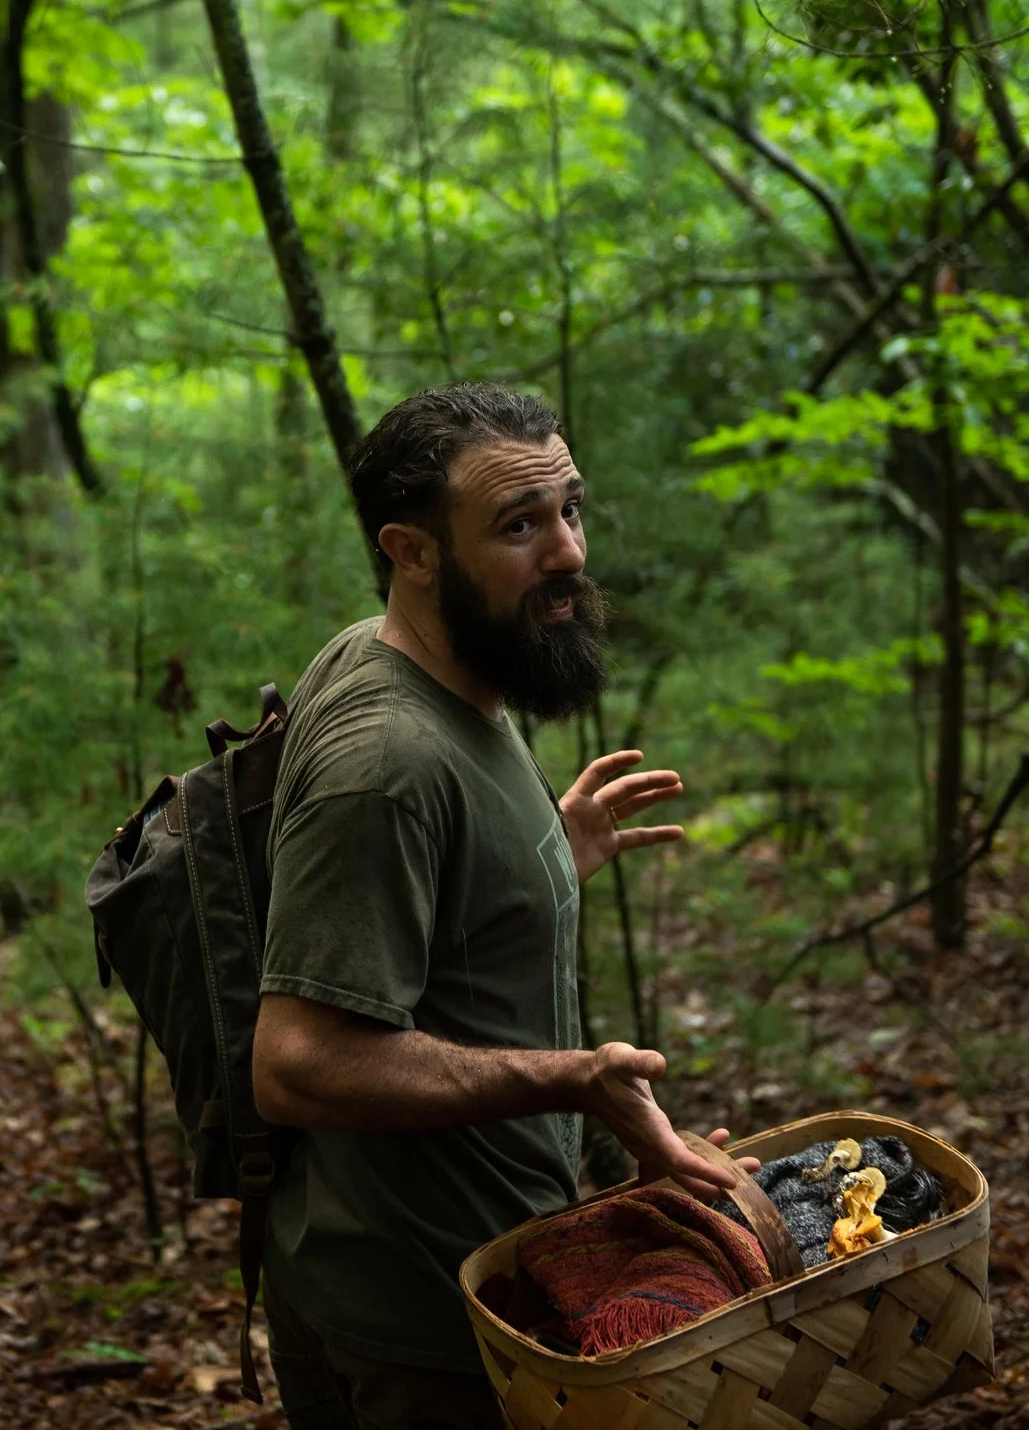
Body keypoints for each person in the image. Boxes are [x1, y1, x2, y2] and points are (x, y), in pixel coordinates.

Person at [253, 382, 754, 1429]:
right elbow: (296, 1062)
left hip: (489, 1277)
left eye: (570, 508)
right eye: (519, 525)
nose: (567, 550)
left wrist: (538, 862)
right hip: (417, 1323)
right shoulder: (385, 759)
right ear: (413, 550)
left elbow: (416, 918)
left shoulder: (450, 664)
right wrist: (576, 1080)